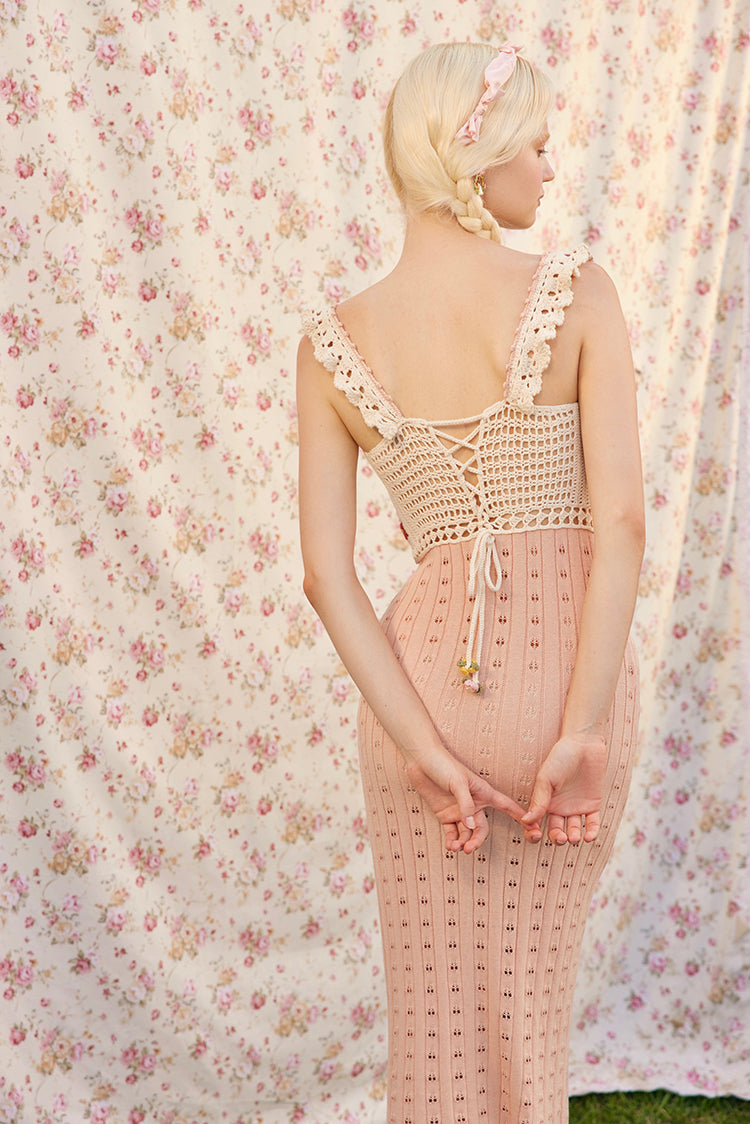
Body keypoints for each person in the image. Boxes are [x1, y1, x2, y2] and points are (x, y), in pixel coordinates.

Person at [296, 41, 644, 1124]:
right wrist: (583, 727)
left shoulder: (334, 342)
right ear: (475, 152)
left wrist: (423, 747)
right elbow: (622, 527)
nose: (550, 168)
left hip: (421, 696)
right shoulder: (578, 294)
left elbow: (327, 576)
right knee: (528, 1021)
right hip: (566, 690)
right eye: (535, 145)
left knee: (437, 1029)